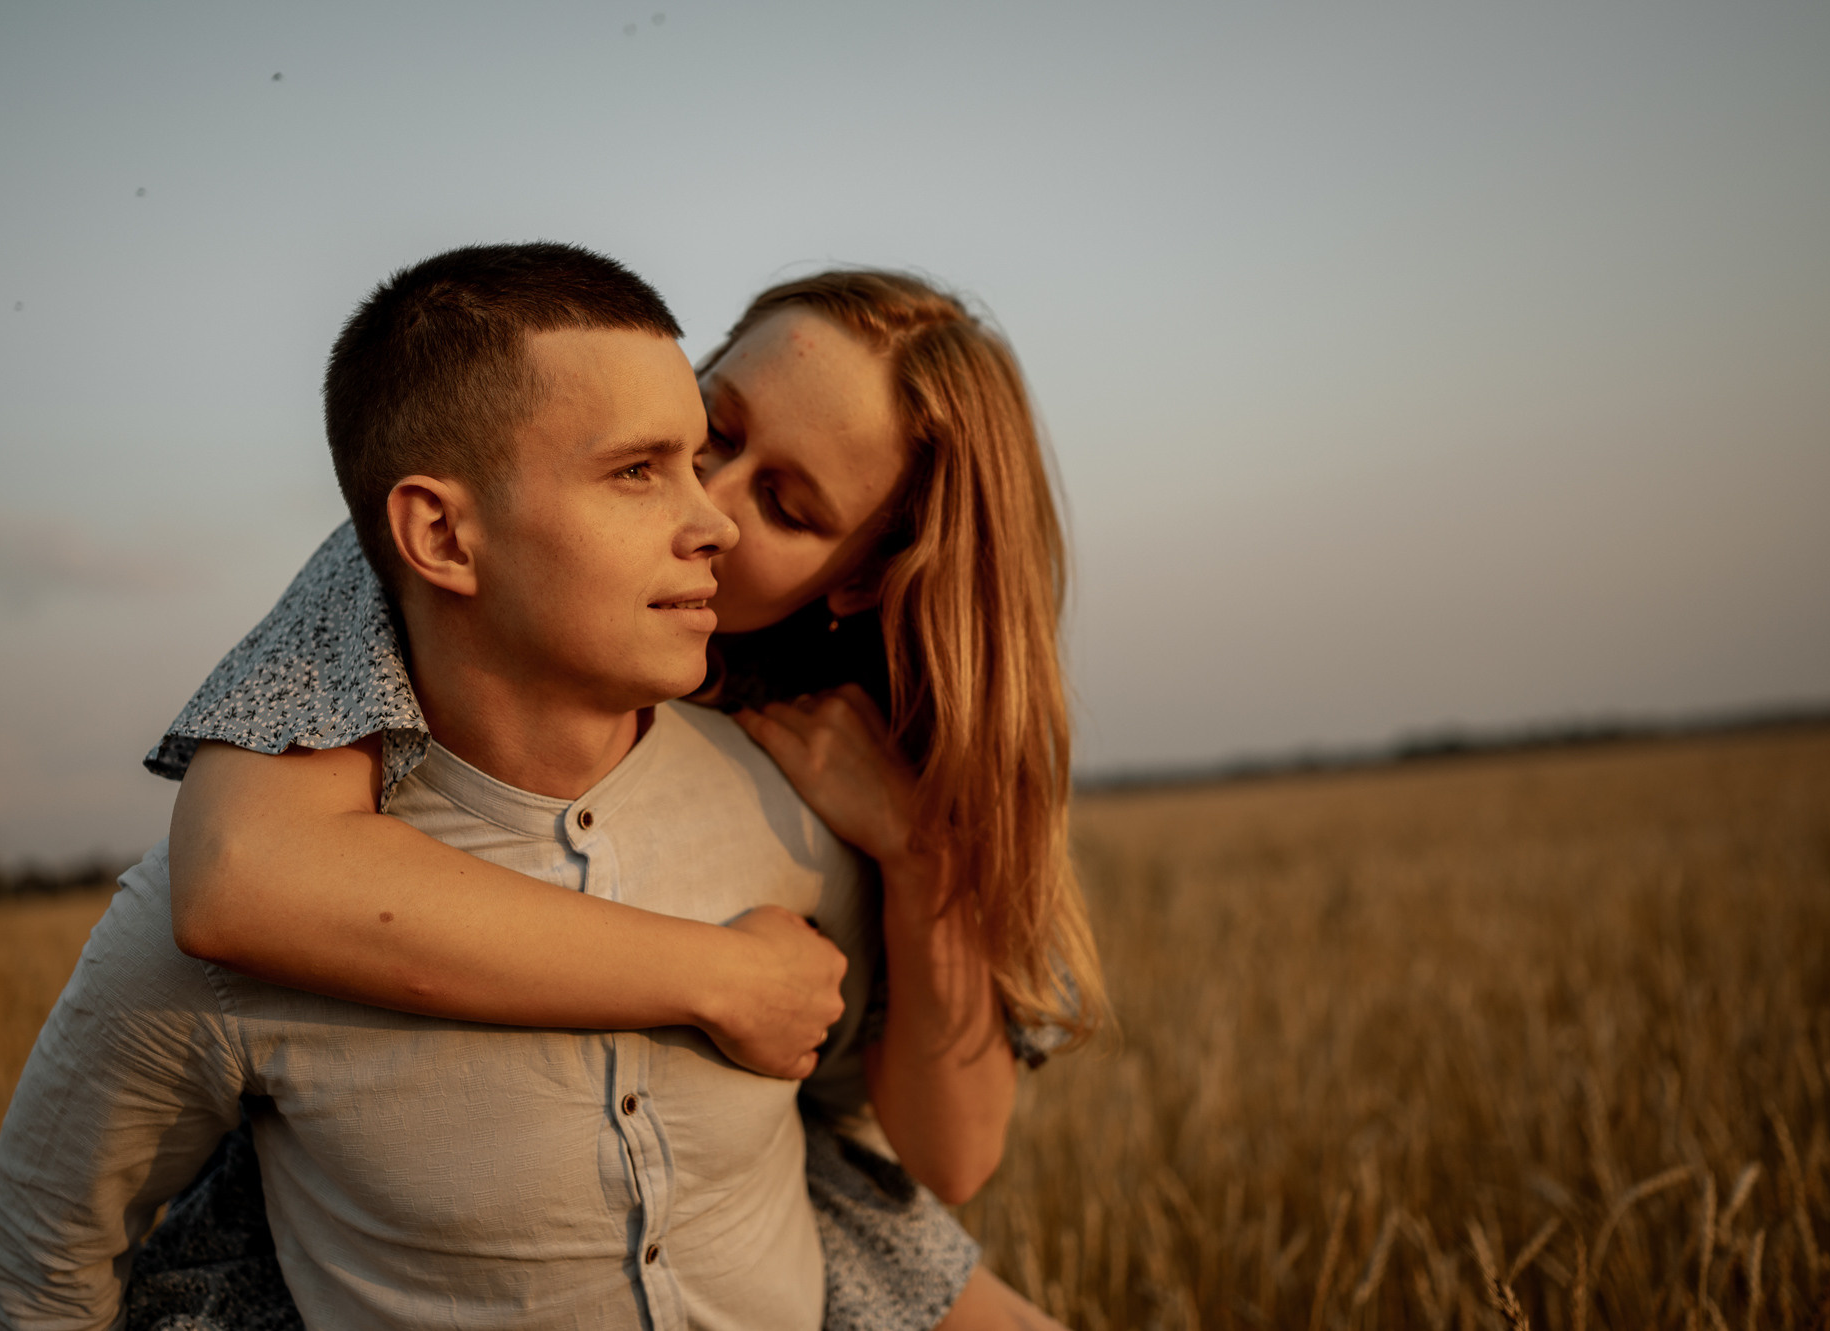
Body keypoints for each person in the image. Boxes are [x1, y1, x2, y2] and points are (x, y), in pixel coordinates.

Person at [135, 262, 1109, 1329]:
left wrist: (921, 854)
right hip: (390, 1204)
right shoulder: (455, 535)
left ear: (863, 579)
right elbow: (243, 874)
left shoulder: (892, 710)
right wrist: (725, 977)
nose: (710, 506)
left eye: (784, 505)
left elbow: (952, 1154)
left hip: (762, 1179)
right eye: (714, 427)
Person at [0, 243, 879, 1330]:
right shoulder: (238, 922)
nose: (715, 522)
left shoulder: (790, 809)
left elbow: (864, 1131)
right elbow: (45, 1249)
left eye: (699, 460)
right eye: (638, 470)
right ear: (442, 534)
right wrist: (721, 976)